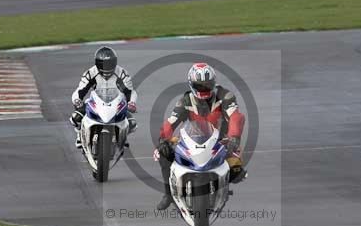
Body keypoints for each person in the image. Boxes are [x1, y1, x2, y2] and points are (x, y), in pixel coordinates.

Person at [153, 63, 246, 210]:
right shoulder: (185, 101)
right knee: (162, 153)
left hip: (222, 141)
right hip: (192, 140)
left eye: (207, 85)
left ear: (214, 83)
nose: (204, 89)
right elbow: (171, 121)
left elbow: (236, 117)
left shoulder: (225, 96)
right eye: (199, 85)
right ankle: (169, 194)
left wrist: (234, 136)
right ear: (191, 84)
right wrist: (163, 139)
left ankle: (223, 186)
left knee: (238, 172)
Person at [70, 47, 137, 148]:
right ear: (97, 63)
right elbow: (80, 90)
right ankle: (80, 134)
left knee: (132, 123)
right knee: (75, 117)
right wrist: (77, 100)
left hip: (116, 103)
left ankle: (123, 136)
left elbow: (130, 92)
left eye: (110, 64)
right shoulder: (90, 73)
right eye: (103, 64)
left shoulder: (122, 73)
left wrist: (132, 102)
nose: (107, 67)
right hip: (95, 102)